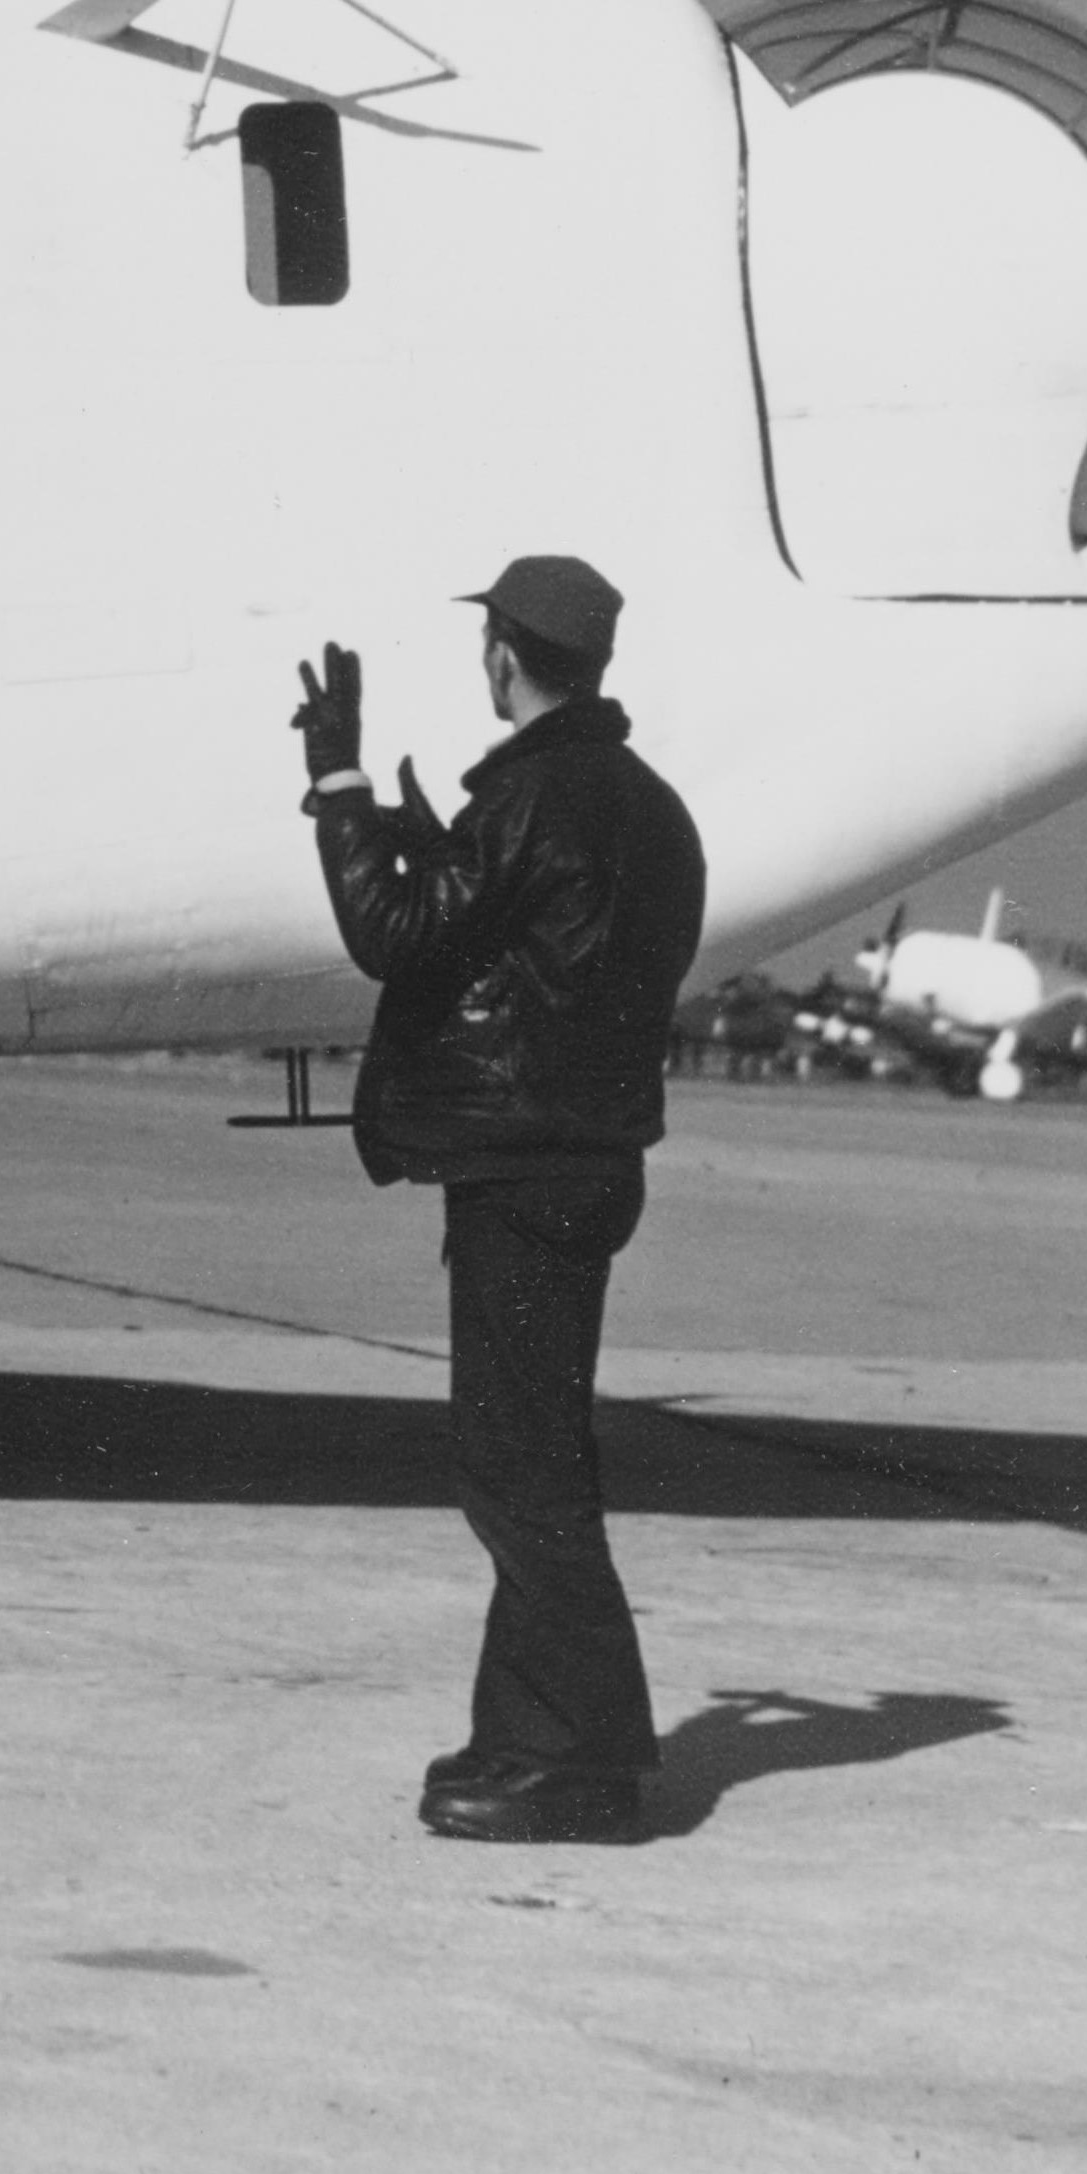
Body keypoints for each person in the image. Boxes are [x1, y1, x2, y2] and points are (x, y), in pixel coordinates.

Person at [293, 553, 708, 1845]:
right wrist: (442, 848)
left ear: (505, 655)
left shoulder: (531, 797)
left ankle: (583, 1762)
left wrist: (342, 787)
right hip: (594, 1159)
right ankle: (527, 1732)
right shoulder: (653, 807)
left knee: (513, 1465)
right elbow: (556, 953)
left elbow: (394, 937)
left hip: (525, 1167)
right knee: (529, 1453)